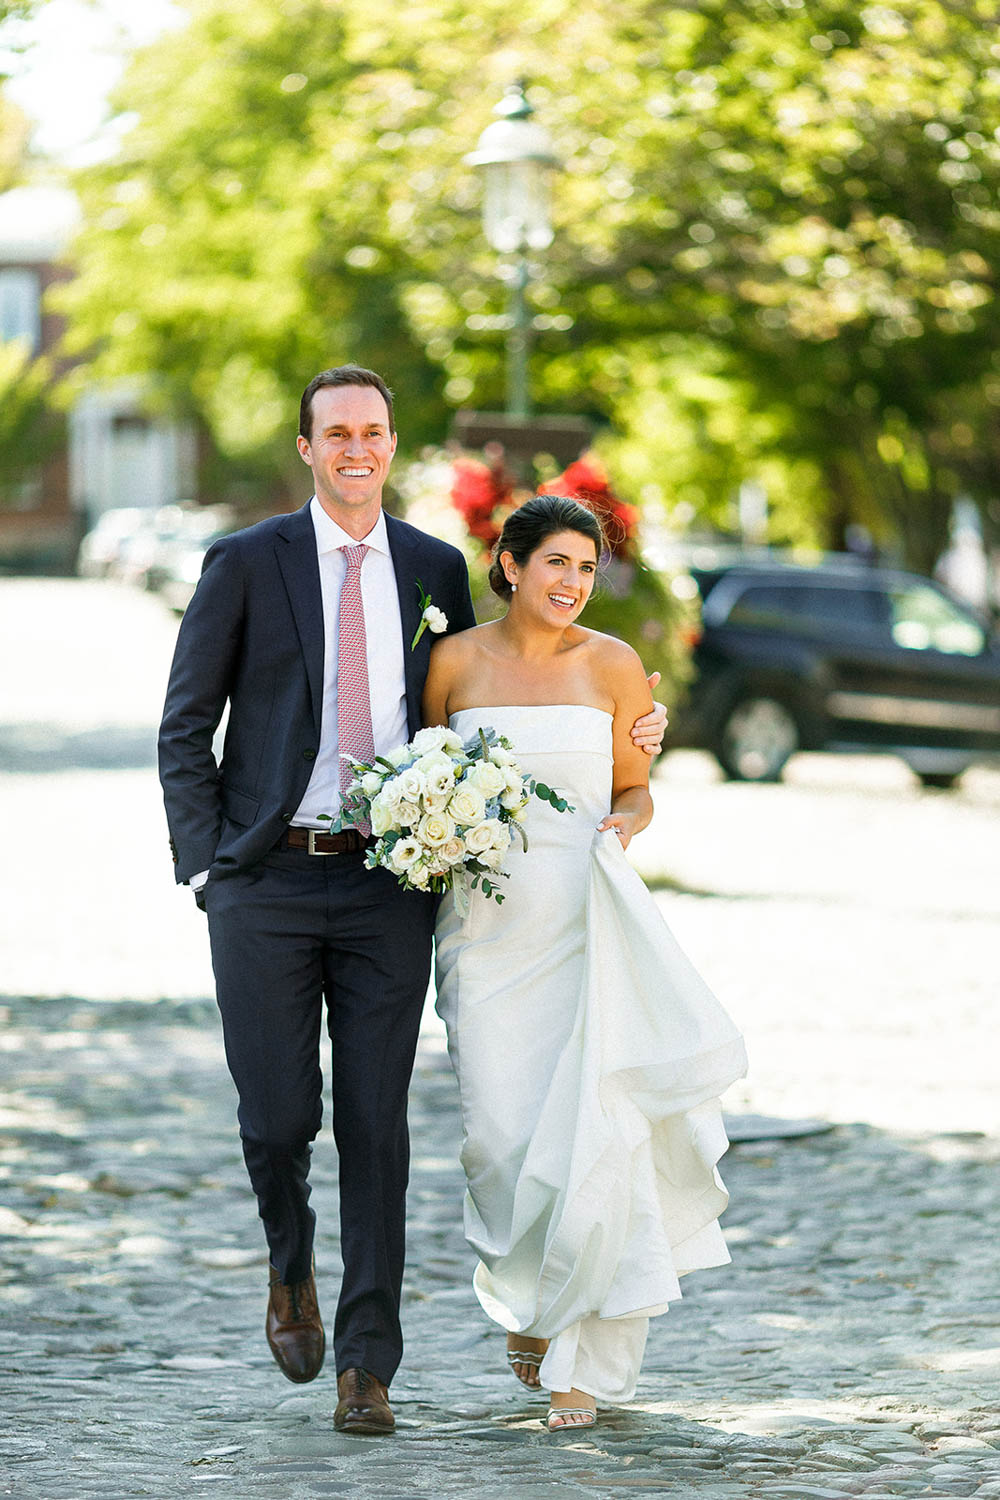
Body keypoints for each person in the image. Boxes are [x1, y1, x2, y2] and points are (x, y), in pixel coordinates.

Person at [157, 366, 668, 1437]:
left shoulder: (433, 566)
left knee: (376, 1124)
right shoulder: (247, 562)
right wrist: (207, 862)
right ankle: (288, 1263)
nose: (357, 448)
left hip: (392, 879)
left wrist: (630, 745)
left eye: (374, 432)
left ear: (392, 446)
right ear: (307, 447)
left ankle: (367, 1365)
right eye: (336, 432)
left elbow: (487, 698)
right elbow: (185, 723)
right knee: (278, 1116)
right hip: (264, 878)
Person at [424, 494, 748, 1431]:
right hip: (483, 935)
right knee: (498, 1136)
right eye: (557, 563)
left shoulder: (612, 666)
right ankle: (530, 1289)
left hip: (582, 921)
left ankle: (576, 1356)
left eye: (588, 568)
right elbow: (415, 771)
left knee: (595, 1131)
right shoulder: (451, 663)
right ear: (511, 564)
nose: (572, 583)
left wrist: (623, 821)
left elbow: (638, 789)